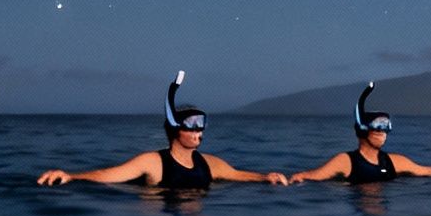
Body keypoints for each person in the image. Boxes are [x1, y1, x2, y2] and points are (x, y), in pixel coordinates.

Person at [36, 73, 288, 187]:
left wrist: (266, 177)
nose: (199, 132)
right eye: (192, 125)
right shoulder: (152, 162)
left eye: (202, 125)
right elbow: (109, 174)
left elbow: (238, 175)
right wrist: (72, 176)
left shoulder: (210, 163)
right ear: (175, 128)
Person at [288, 83, 431, 184]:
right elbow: (310, 177)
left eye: (387, 128)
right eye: (378, 128)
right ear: (362, 130)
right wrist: (292, 179)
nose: (383, 133)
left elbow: (426, 171)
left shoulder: (394, 161)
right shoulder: (346, 161)